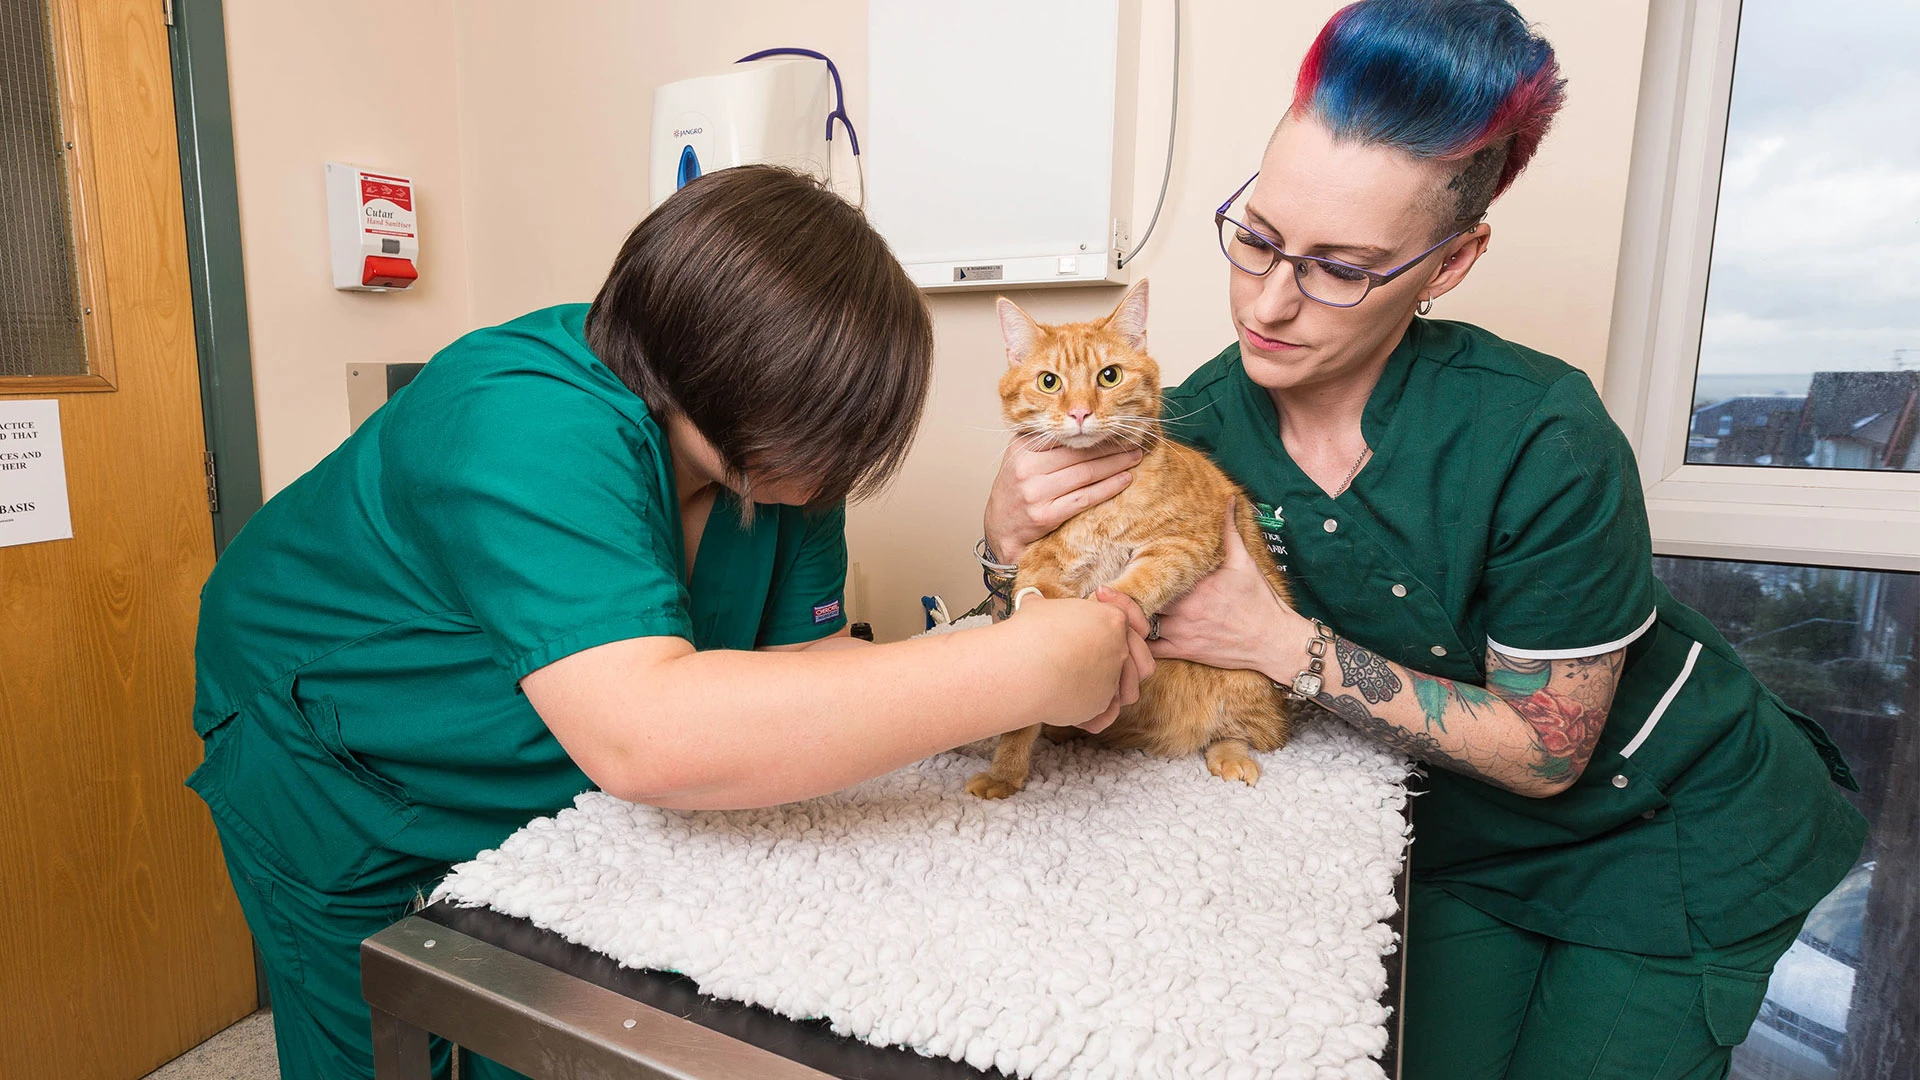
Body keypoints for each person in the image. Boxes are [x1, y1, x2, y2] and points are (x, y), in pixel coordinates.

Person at [981, 3, 1867, 1076]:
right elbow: (1045, 616)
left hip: (1673, 825)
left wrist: (1280, 645)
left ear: (1450, 263)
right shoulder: (1191, 425)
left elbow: (1547, 750)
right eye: (1256, 236)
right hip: (1442, 828)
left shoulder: (1546, 432)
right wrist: (1004, 532)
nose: (1267, 300)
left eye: (1339, 267)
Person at [188, 165, 1152, 1080]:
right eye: (831, 422)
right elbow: (649, 733)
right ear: (733, 368)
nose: (844, 462)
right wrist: (1020, 667)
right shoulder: (522, 418)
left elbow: (806, 669)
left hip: (540, 755)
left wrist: (1004, 670)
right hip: (323, 748)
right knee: (373, 1035)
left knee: (519, 1024)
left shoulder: (786, 472)